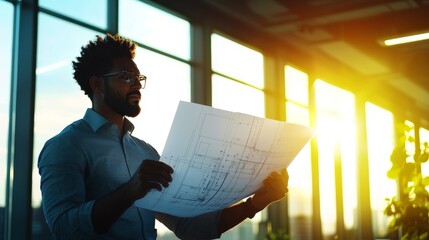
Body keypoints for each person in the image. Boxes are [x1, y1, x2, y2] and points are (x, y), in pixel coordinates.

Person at [38, 33, 289, 240]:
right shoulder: (65, 146)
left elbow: (190, 228)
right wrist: (130, 191)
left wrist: (254, 204)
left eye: (138, 78)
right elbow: (62, 228)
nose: (136, 84)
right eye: (126, 77)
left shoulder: (145, 153)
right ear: (97, 84)